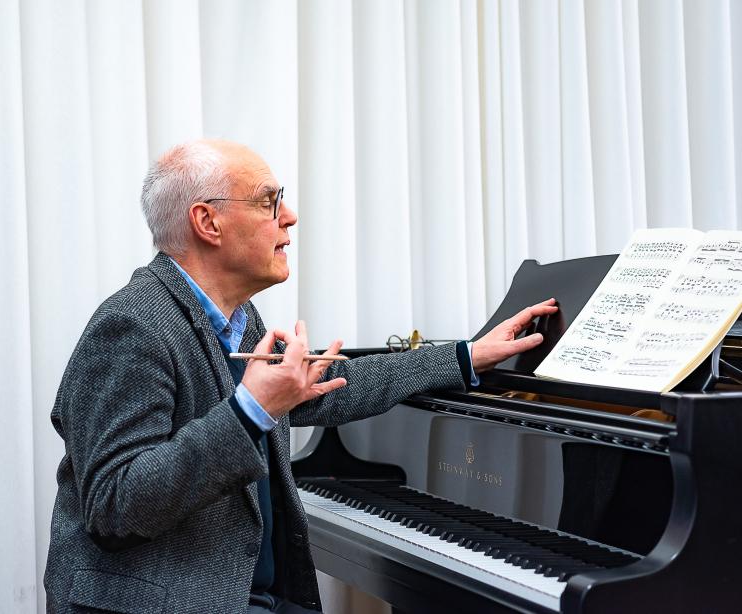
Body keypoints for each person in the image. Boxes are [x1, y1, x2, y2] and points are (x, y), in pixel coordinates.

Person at [43, 139, 557, 614]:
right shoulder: (131, 327)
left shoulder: (236, 319)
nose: (289, 217)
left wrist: (467, 356)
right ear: (208, 222)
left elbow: (330, 387)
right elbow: (114, 508)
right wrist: (249, 413)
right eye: (269, 201)